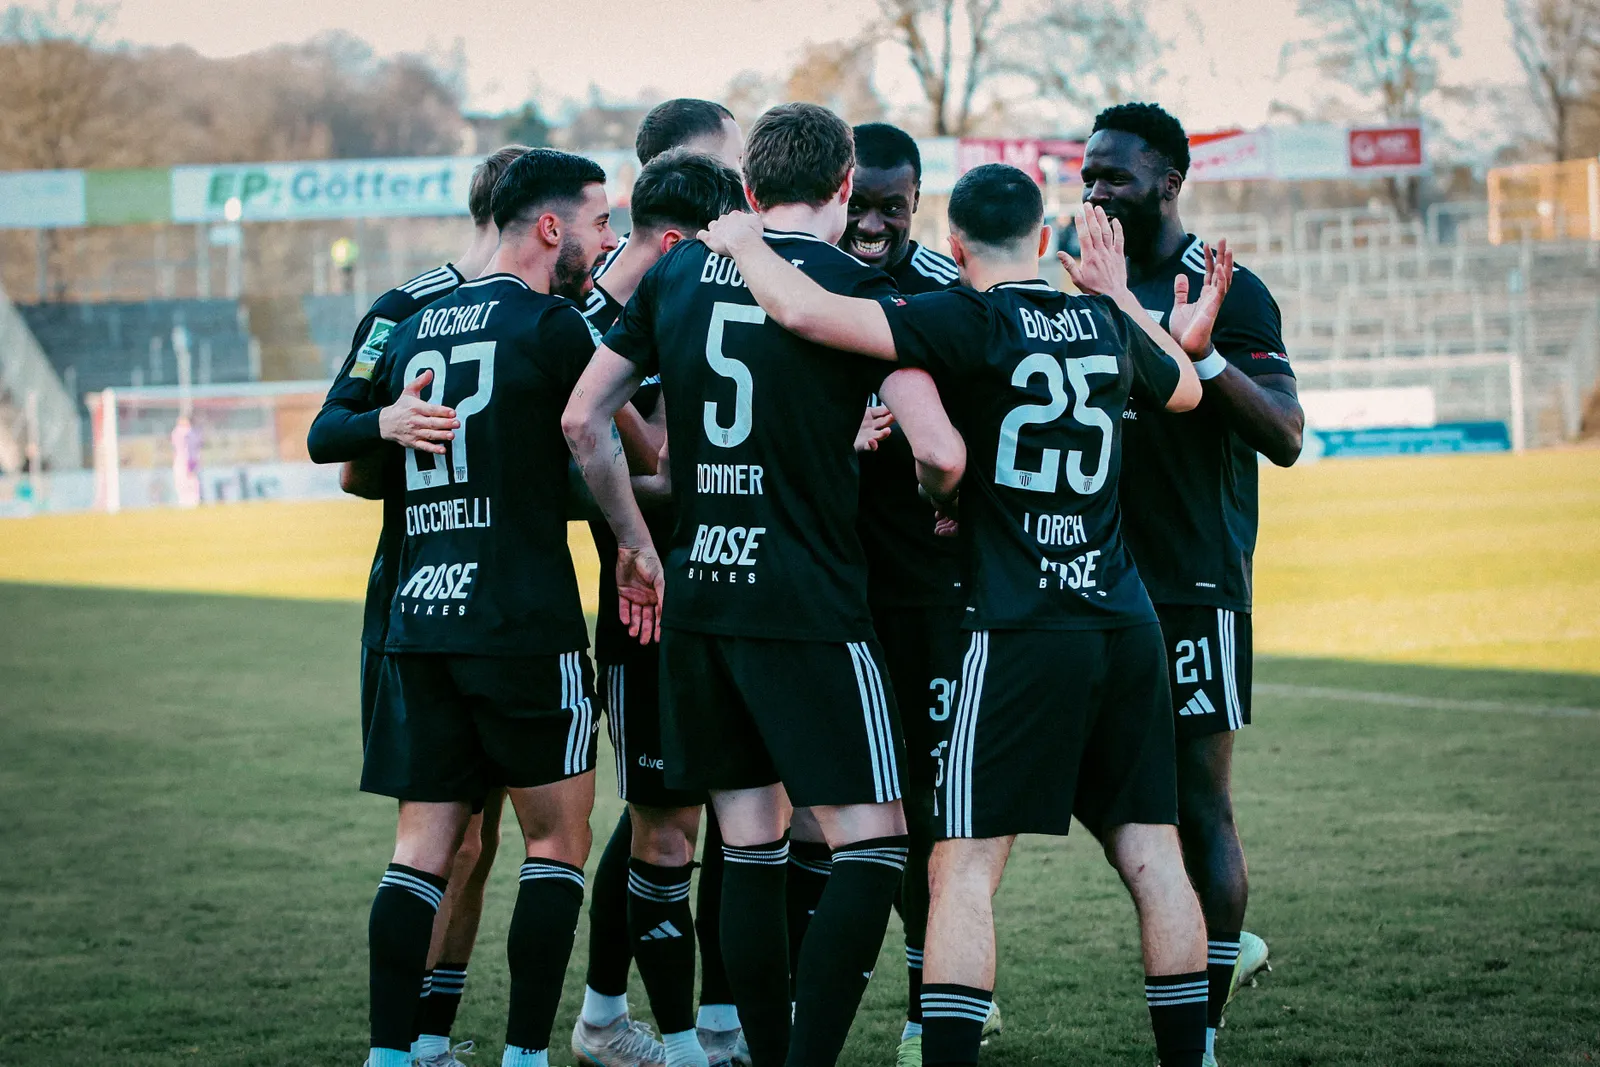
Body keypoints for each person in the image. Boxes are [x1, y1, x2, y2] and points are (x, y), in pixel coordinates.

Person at [695, 165, 1232, 1067]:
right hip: (1123, 617)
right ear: (1045, 238)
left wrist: (748, 243)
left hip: (1017, 625)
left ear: (951, 245)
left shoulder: (963, 317)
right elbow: (1184, 387)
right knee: (1154, 855)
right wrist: (1114, 294)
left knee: (962, 866)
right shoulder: (1103, 319)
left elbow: (804, 312)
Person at [563, 102, 966, 1067]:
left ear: (748, 188)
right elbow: (943, 453)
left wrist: (636, 543)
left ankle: (747, 1045)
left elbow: (582, 420)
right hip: (809, 602)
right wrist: (935, 494)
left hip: (703, 599)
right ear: (844, 187)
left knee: (748, 843)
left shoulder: (677, 274)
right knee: (875, 844)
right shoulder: (854, 286)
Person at [357, 147, 618, 1067]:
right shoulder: (553, 325)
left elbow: (351, 458)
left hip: (422, 614)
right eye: (599, 222)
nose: (606, 238)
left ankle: (392, 1056)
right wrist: (633, 540)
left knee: (421, 849)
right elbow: (603, 439)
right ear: (550, 227)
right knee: (557, 843)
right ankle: (525, 1056)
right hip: (520, 620)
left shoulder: (414, 323)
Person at [1082, 102, 1302, 1065]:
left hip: (1189, 582)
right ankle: (1213, 940)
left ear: (1169, 181)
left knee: (1198, 807)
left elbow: (1285, 434)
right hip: (1087, 580)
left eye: (1116, 175)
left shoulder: (1225, 285)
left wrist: (1201, 351)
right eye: (1087, 173)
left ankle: (1200, 1027)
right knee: (1089, 784)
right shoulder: (1082, 277)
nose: (1096, 189)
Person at [305, 144, 525, 1067]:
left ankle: (430, 1035)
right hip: (415, 597)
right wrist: (389, 424)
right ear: (529, 214)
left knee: (484, 834)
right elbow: (338, 444)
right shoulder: (405, 307)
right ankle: (405, 1044)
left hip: (498, 606)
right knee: (447, 832)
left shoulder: (538, 310)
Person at [570, 149, 752, 1067]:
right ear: (683, 238)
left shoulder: (687, 299)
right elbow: (584, 447)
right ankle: (673, 1039)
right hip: (648, 609)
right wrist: (644, 524)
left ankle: (712, 1026)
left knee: (738, 818)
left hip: (723, 595)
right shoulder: (592, 320)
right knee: (666, 831)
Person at [831, 121, 983, 1067]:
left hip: (931, 589)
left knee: (927, 804)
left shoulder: (944, 291)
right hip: (833, 584)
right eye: (862, 203)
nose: (875, 223)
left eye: (894, 205)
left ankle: (934, 999)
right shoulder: (808, 284)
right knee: (846, 812)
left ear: (918, 200)